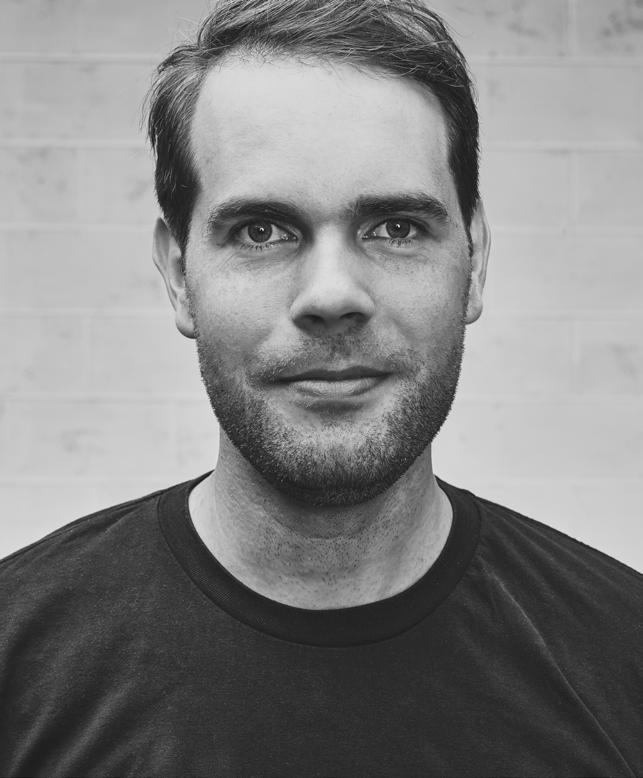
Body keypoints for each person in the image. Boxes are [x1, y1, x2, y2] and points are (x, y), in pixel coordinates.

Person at [1, 0, 641, 774]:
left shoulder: (622, 659)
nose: (332, 295)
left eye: (395, 227)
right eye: (260, 231)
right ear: (177, 275)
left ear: (473, 261)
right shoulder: (18, 662)